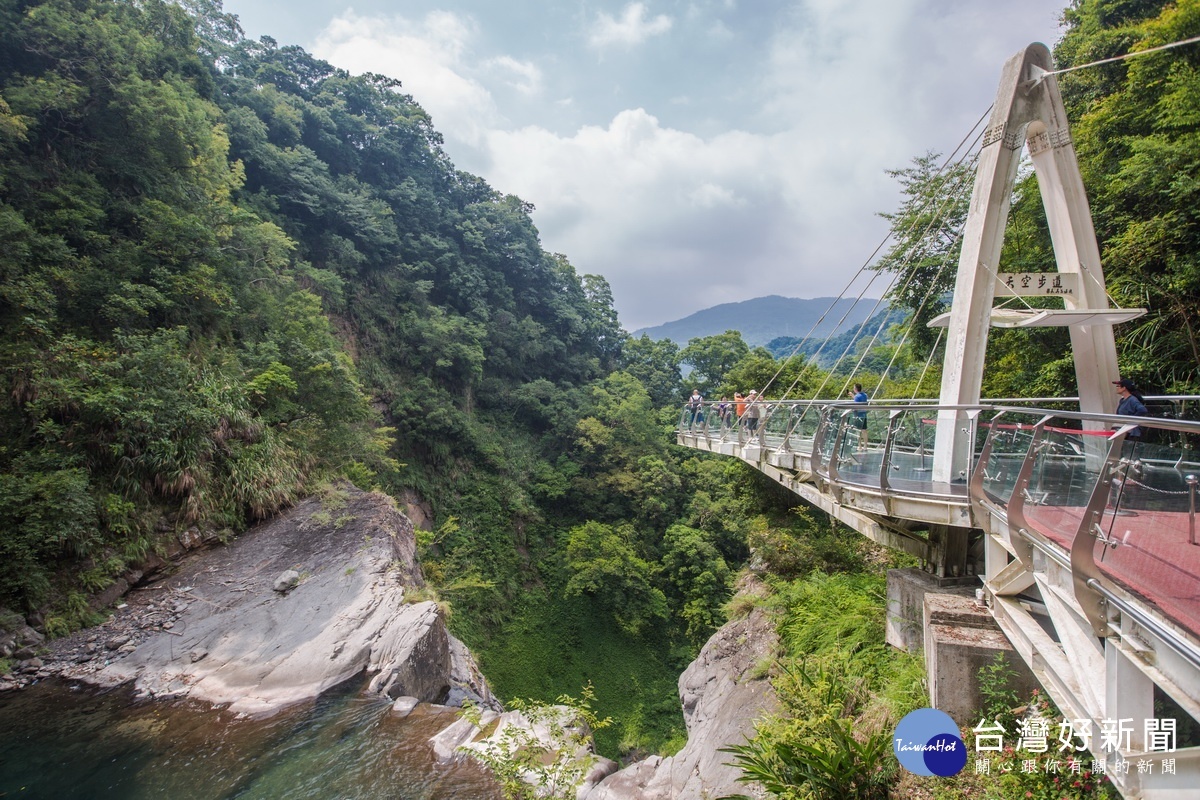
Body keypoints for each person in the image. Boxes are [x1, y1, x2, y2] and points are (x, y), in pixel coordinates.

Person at [851, 382, 869, 447]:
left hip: (858, 415)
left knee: (858, 431)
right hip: (864, 414)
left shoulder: (857, 396)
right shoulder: (865, 395)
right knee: (864, 430)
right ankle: (865, 446)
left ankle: (859, 446)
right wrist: (853, 396)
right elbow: (861, 402)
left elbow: (856, 406)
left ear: (855, 389)